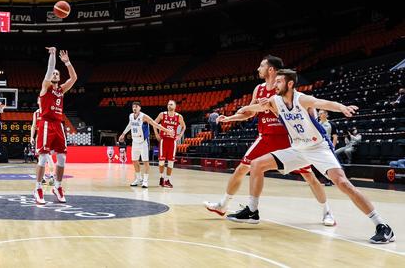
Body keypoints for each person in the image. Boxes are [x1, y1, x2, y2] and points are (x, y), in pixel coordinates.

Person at [227, 69, 395, 244]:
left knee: (343, 184)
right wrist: (232, 116)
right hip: (298, 149)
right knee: (256, 164)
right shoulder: (274, 101)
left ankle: (382, 226)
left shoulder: (302, 99)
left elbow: (323, 103)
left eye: (279, 82)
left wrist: (341, 107)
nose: (274, 85)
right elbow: (251, 110)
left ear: (290, 84)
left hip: (318, 148)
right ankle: (252, 211)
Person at [204, 55, 335, 227]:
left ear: (271, 69)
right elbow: (250, 112)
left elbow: (294, 110)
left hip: (289, 139)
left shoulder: (284, 89)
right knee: (242, 168)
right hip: (266, 137)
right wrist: (229, 119)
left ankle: (327, 212)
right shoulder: (258, 89)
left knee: (309, 176)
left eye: (261, 66)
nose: (258, 69)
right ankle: (223, 205)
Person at [33, 47, 77, 204]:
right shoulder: (46, 87)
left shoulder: (61, 90)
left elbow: (73, 79)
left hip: (58, 124)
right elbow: (50, 69)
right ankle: (38, 188)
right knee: (43, 158)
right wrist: (52, 55)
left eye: (57, 74)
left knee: (62, 158)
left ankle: (57, 187)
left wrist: (67, 62)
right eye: (53, 73)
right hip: (45, 123)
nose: (55, 74)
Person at [118, 101, 172, 188]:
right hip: (135, 142)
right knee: (135, 161)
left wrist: (167, 131)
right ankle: (139, 179)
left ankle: (145, 180)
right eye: (133, 107)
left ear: (140, 108)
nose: (134, 108)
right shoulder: (131, 116)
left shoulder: (144, 117)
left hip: (143, 142)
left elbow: (155, 124)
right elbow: (129, 125)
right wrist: (123, 134)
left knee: (145, 162)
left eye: (136, 107)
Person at [153, 100, 185, 188]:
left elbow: (184, 126)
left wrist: (180, 135)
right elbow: (154, 124)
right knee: (161, 161)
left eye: (171, 104)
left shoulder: (179, 116)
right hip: (164, 140)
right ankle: (161, 178)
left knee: (171, 162)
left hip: (172, 141)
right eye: (168, 104)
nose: (169, 105)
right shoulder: (162, 114)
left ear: (175, 106)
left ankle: (167, 180)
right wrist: (156, 134)